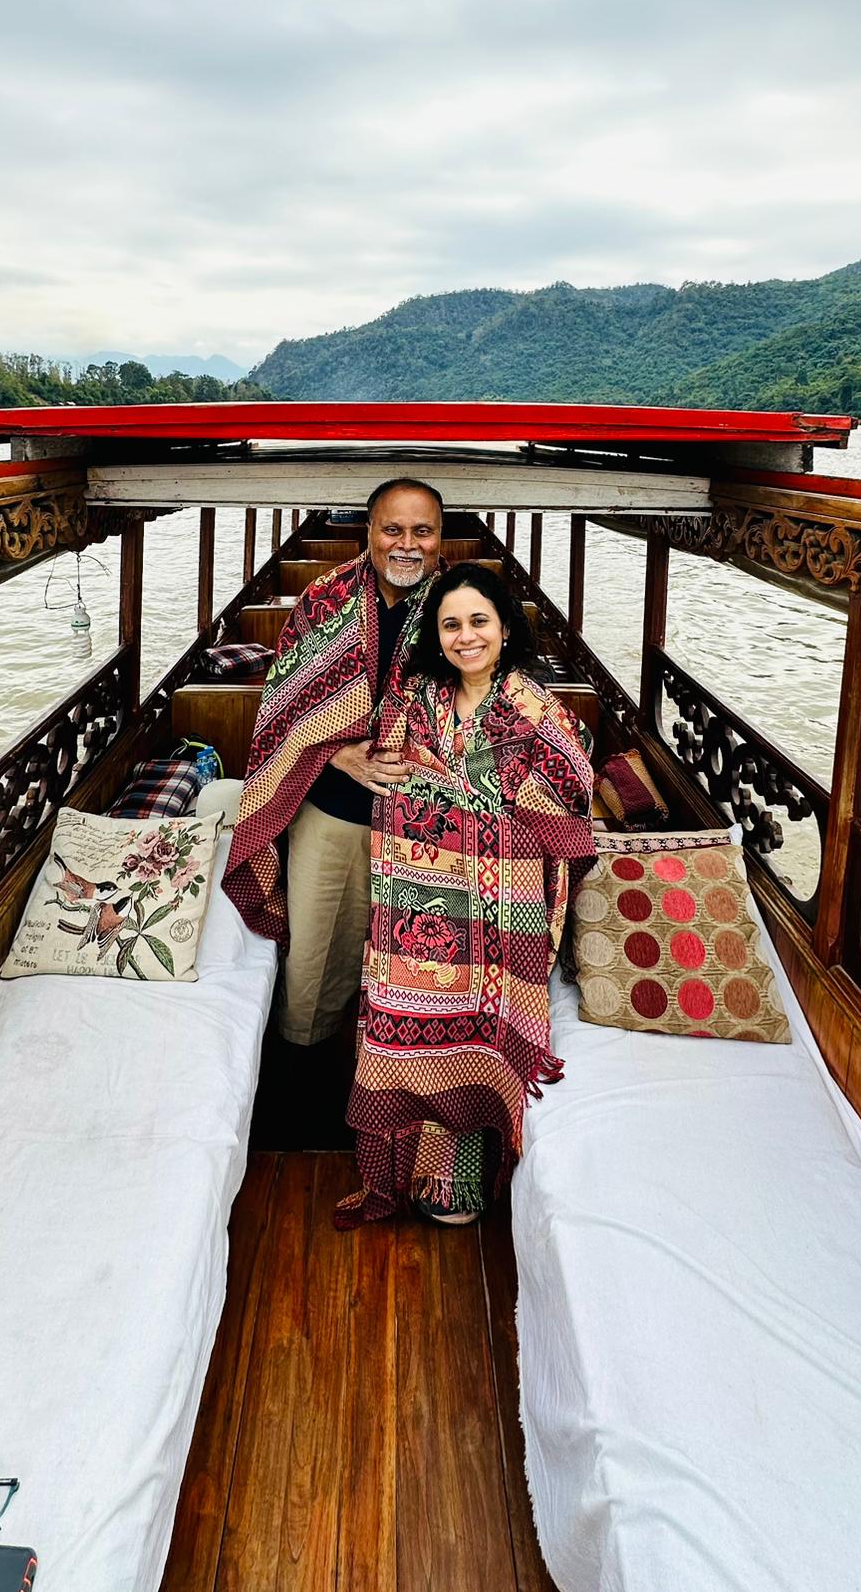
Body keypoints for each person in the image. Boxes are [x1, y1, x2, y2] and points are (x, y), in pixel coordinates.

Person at [334, 563, 595, 1229]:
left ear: (505, 629)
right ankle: (402, 1169)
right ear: (438, 636)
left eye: (479, 621)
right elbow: (386, 763)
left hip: (500, 901)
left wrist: (489, 799)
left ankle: (460, 1179)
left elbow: (572, 788)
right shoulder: (415, 697)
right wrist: (428, 782)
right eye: (452, 624)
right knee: (406, 1015)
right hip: (418, 898)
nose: (466, 635)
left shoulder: (536, 706)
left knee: (480, 1025)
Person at [223, 479, 445, 1047]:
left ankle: (396, 1065)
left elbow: (485, 698)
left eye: (422, 531)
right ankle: (307, 1065)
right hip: (332, 811)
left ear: (440, 538)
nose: (407, 545)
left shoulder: (458, 606)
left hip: (431, 826)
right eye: (393, 529)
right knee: (316, 958)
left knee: (419, 962)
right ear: (368, 531)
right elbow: (283, 706)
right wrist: (337, 752)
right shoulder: (325, 599)